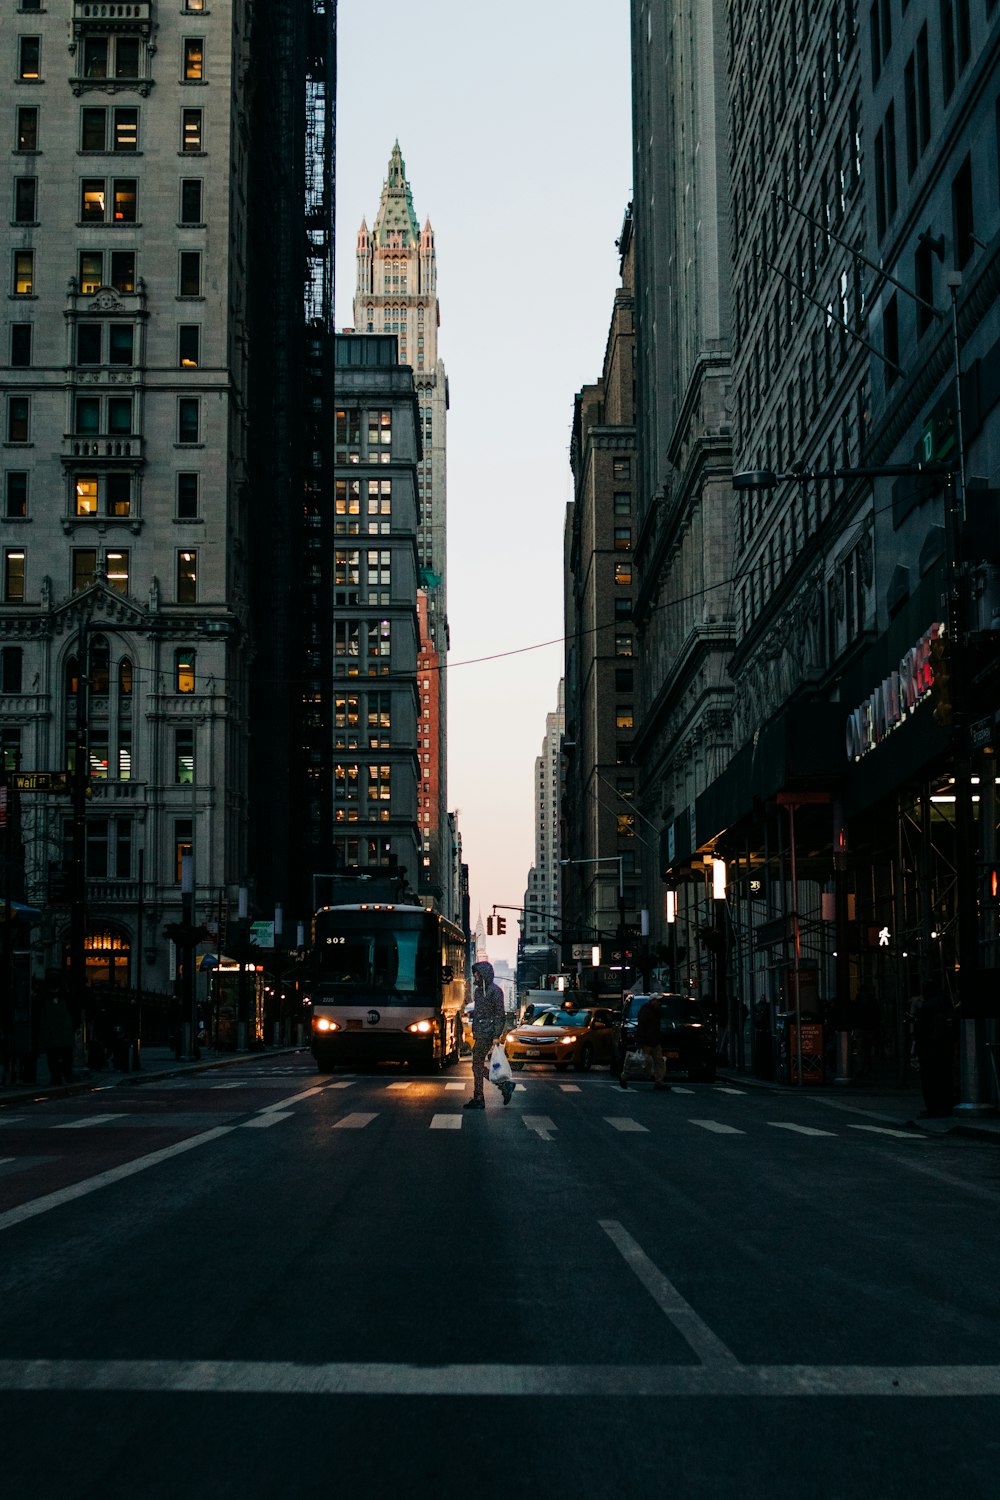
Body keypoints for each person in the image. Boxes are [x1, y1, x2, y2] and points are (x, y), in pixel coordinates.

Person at [465, 961, 512, 1108]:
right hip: (480, 1033)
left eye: (477, 973)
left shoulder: (495, 991)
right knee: (476, 1065)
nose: (475, 976)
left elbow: (499, 1014)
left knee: (476, 1065)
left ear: (484, 973)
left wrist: (496, 1035)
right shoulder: (479, 991)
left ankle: (481, 1097)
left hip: (488, 1033)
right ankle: (501, 1086)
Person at [912, 984, 955, 1118]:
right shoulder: (946, 1005)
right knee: (944, 1079)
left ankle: (934, 1108)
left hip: (929, 1049)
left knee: (930, 1081)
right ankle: (945, 1106)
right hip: (944, 1049)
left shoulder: (926, 1008)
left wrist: (917, 1050)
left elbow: (920, 1032)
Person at [621, 992, 671, 1091]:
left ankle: (659, 1082)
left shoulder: (655, 1011)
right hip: (647, 1041)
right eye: (657, 1000)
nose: (659, 1002)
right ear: (652, 1001)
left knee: (658, 1062)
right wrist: (641, 1041)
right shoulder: (645, 1011)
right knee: (639, 1062)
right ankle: (624, 1077)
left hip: (654, 1041)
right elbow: (642, 1027)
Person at [38, 982, 76, 1087]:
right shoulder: (67, 996)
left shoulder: (44, 997)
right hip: (60, 1031)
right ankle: (63, 1077)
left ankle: (58, 1078)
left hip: (56, 1031)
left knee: (56, 1057)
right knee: (62, 1057)